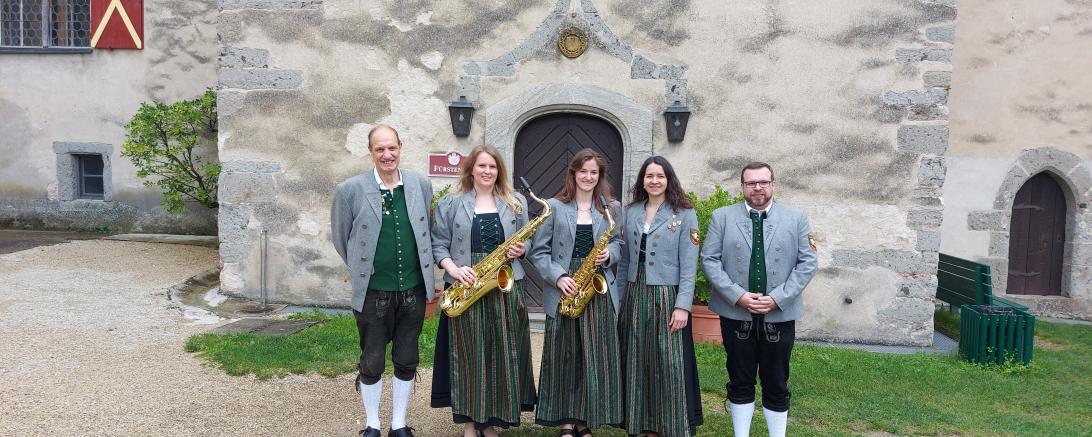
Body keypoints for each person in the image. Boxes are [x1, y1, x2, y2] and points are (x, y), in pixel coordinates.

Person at [330, 124, 434, 437]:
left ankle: (399, 424)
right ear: (371, 152)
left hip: (414, 290)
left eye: (392, 148)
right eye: (380, 149)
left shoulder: (419, 183)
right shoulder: (349, 190)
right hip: (374, 293)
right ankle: (372, 424)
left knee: (406, 358)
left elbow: (427, 228)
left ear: (400, 147)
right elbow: (340, 237)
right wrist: (363, 268)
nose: (387, 155)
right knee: (372, 360)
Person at [699, 162, 817, 437]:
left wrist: (777, 298)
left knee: (776, 380)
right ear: (742, 186)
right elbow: (710, 260)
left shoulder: (796, 217)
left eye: (763, 182)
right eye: (751, 183)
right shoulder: (722, 217)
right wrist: (738, 296)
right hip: (736, 314)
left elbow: (808, 263)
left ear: (773, 184)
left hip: (779, 315)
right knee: (740, 378)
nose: (758, 188)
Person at [429, 145, 536, 437]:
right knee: (468, 356)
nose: (487, 171)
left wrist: (522, 249)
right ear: (471, 170)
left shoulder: (516, 203)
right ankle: (470, 423)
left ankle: (491, 422)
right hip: (466, 283)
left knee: (500, 354)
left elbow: (531, 244)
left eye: (492, 167)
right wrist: (453, 269)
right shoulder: (450, 204)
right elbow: (438, 244)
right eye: (482, 166)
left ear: (499, 170)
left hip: (504, 284)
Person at [529, 149, 624, 436]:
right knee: (565, 356)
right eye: (583, 171)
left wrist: (609, 254)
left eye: (593, 172)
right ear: (573, 173)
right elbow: (539, 250)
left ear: (600, 176)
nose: (588, 176)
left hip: (598, 289)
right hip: (566, 287)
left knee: (593, 356)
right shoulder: (554, 206)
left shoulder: (611, 208)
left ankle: (585, 420)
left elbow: (619, 243)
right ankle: (566, 421)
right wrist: (558, 277)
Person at [616, 156, 704, 437]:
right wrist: (618, 301)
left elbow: (689, 266)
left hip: (667, 296)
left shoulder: (684, 212)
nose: (654, 181)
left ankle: (671, 423)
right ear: (642, 180)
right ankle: (643, 423)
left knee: (668, 361)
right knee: (638, 360)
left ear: (669, 180)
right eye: (649, 176)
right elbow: (625, 261)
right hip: (635, 292)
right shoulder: (631, 212)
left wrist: (683, 307)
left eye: (660, 176)